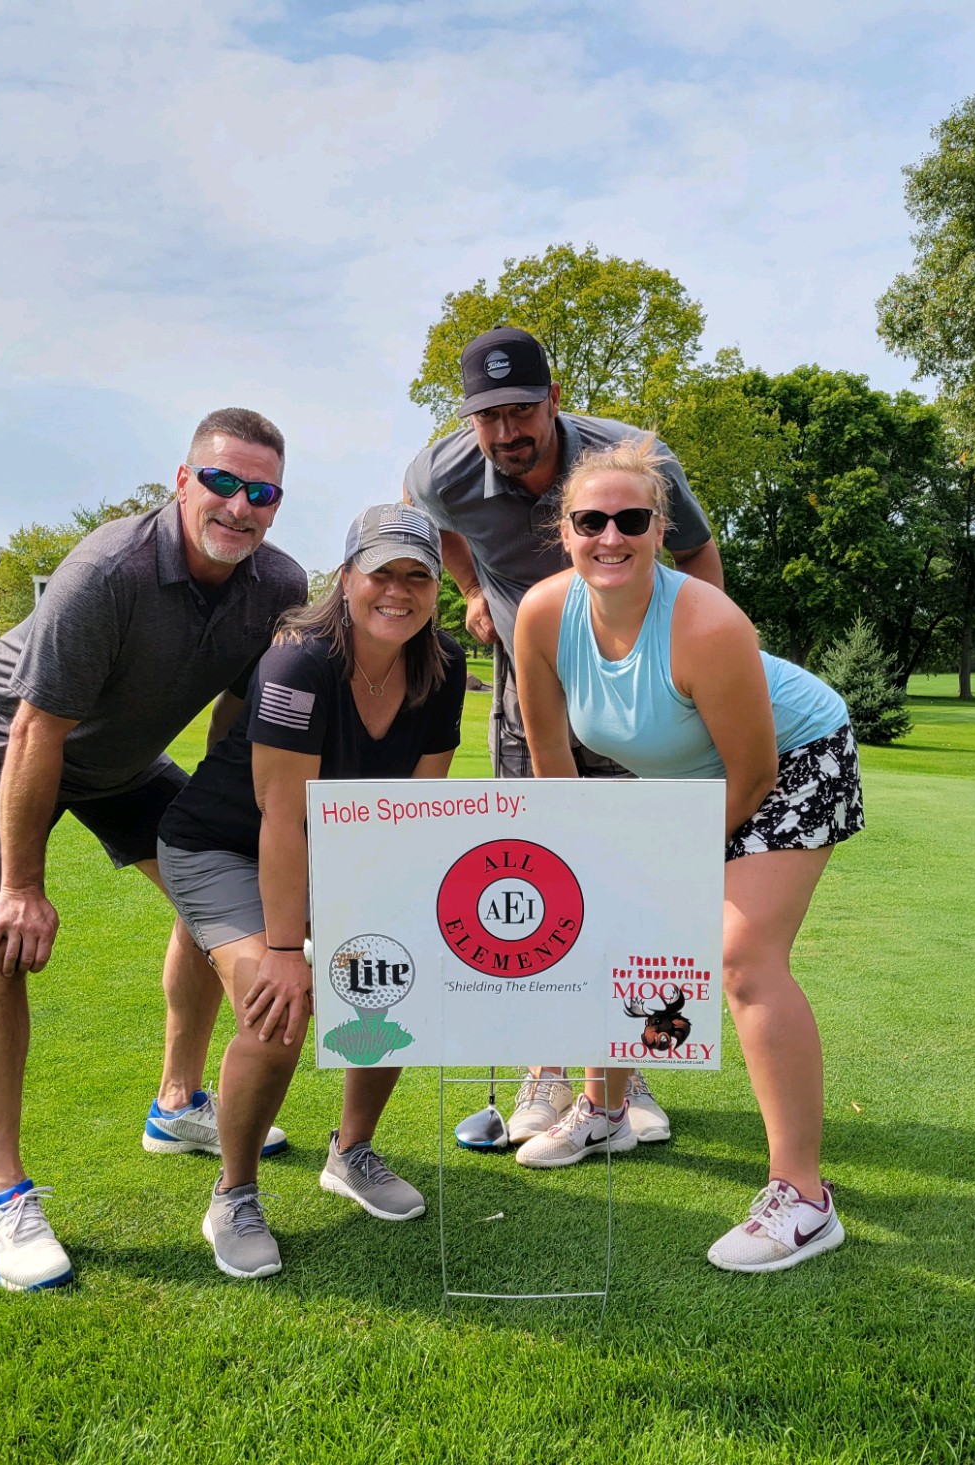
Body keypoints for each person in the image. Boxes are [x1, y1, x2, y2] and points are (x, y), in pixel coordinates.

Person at [0, 407, 308, 1291]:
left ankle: (176, 1103)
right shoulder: (107, 569)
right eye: (221, 482)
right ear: (182, 481)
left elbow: (236, 710)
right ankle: (3, 1200)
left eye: (261, 492)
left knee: (212, 893)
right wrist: (24, 883)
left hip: (125, 762)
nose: (238, 505)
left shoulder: (277, 585)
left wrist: (229, 817)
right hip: (9, 747)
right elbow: (37, 728)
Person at [512, 436, 864, 1274]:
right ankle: (604, 1106)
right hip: (685, 780)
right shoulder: (541, 614)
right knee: (608, 928)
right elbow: (550, 756)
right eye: (589, 520)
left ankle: (804, 1199)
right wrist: (579, 869)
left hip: (793, 760)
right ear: (564, 531)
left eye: (630, 519)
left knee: (742, 959)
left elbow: (753, 772)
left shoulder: (705, 622)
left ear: (659, 528)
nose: (610, 536)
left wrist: (673, 862)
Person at [404, 326, 726, 1146]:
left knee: (625, 870)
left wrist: (686, 669)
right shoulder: (440, 471)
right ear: (468, 418)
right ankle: (545, 1068)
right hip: (528, 680)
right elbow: (427, 520)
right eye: (488, 416)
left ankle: (628, 1062)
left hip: (629, 682)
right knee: (542, 868)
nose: (506, 431)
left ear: (553, 399)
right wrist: (472, 586)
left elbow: (695, 552)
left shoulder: (632, 458)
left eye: (521, 410)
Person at [158, 504, 467, 1279]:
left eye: (415, 575)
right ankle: (233, 1191)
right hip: (225, 841)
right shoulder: (299, 659)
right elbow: (281, 816)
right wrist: (290, 950)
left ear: (434, 588)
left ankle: (350, 1151)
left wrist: (405, 924)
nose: (396, 591)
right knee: (277, 1005)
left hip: (341, 841)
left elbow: (416, 811)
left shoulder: (445, 666)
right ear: (347, 577)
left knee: (396, 981)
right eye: (381, 572)